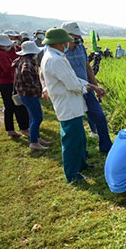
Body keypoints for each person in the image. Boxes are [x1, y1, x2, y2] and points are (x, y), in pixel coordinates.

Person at [40, 27, 105, 183]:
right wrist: (88, 87)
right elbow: (73, 85)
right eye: (68, 42)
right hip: (67, 105)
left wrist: (93, 86)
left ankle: (81, 164)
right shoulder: (54, 60)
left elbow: (73, 78)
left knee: (80, 138)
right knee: (71, 141)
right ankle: (72, 174)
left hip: (73, 104)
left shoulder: (57, 56)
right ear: (61, 43)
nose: (70, 44)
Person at [60, 21, 112, 152]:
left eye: (79, 36)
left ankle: (106, 146)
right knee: (75, 124)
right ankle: (79, 153)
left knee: (99, 116)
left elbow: (88, 67)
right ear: (66, 36)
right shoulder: (59, 52)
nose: (79, 39)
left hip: (87, 89)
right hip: (70, 92)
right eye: (75, 36)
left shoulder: (81, 47)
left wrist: (96, 87)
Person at [0, 34, 30, 137]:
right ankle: (24, 127)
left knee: (9, 107)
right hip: (8, 82)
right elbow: (8, 69)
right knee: (18, 105)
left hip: (1, 83)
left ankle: (10, 129)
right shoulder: (1, 54)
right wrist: (17, 65)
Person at [12, 41, 51, 151]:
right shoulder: (28, 62)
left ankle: (37, 138)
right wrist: (34, 86)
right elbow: (25, 72)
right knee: (38, 118)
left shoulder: (21, 60)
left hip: (23, 94)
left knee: (32, 117)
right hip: (29, 94)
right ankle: (33, 142)